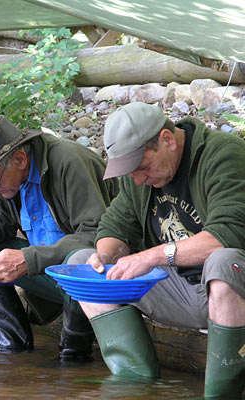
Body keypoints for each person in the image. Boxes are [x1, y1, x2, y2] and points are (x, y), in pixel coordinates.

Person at [66, 102, 245, 398]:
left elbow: (227, 235)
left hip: (232, 288)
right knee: (82, 262)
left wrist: (151, 256)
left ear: (167, 140)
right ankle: (136, 384)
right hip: (180, 290)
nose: (137, 179)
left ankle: (221, 393)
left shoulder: (223, 154)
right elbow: (114, 226)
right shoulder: (137, 174)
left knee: (223, 262)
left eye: (143, 169)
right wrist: (105, 256)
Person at [0, 115, 118, 356]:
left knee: (80, 261)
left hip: (103, 277)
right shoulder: (8, 174)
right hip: (51, 274)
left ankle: (73, 354)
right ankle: (10, 347)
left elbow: (97, 236)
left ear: (19, 159)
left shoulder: (70, 162)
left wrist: (28, 259)